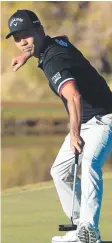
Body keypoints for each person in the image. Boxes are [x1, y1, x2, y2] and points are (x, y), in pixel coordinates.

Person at [6, 9, 112, 243]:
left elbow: (73, 96)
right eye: (17, 37)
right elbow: (61, 36)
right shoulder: (56, 43)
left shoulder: (54, 61)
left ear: (40, 31)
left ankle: (89, 232)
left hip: (105, 118)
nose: (22, 42)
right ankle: (79, 225)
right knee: (60, 171)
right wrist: (27, 54)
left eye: (27, 35)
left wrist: (74, 134)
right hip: (86, 119)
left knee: (89, 164)